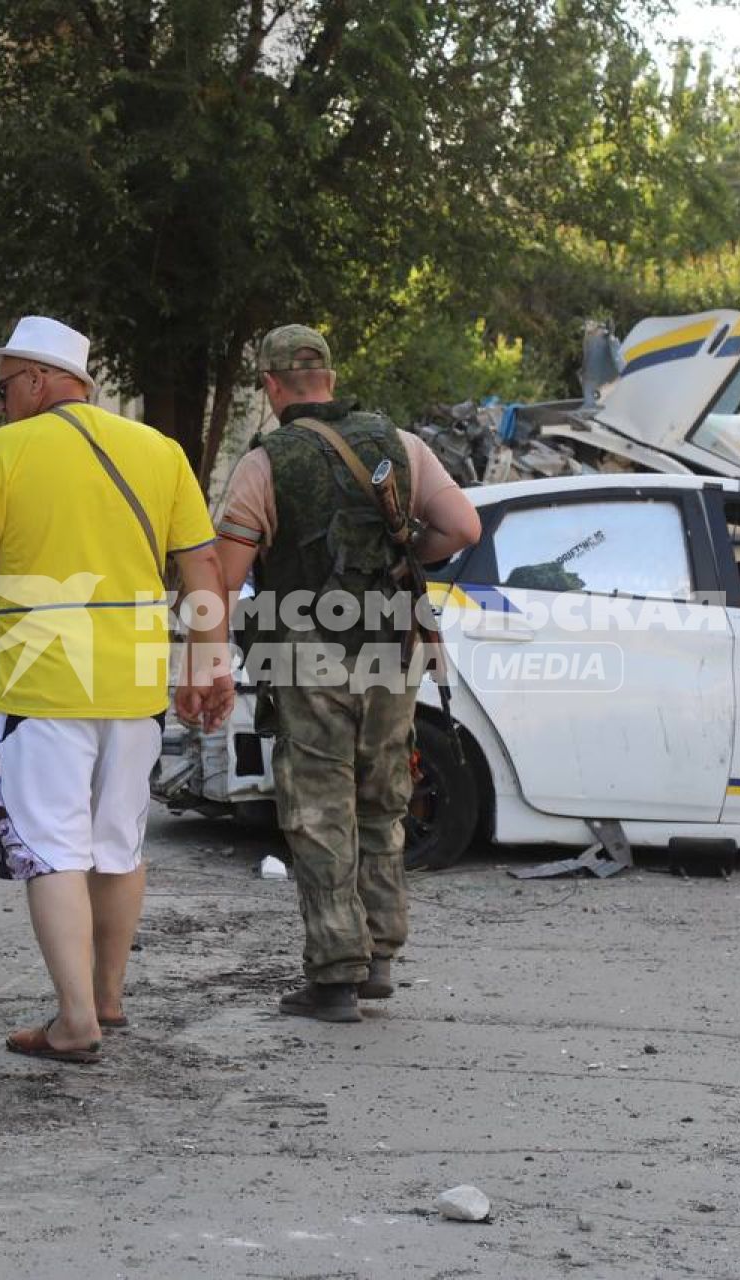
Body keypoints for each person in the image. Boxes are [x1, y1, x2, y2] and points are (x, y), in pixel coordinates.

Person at [0, 315, 234, 1064]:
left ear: (46, 379)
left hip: (46, 688)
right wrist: (209, 662)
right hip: (136, 685)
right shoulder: (159, 451)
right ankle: (108, 999)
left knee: (53, 851)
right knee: (117, 845)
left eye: (11, 381)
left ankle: (75, 1021)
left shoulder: (7, 454)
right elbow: (203, 565)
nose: (5, 397)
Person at [214, 324, 480, 1023]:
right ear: (329, 377)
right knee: (384, 794)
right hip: (394, 648)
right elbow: (462, 529)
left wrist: (205, 656)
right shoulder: (401, 445)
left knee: (317, 806)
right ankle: (381, 956)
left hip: (308, 654)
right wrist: (403, 551)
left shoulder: (266, 463)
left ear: (272, 386)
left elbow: (225, 579)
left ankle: (334, 974)